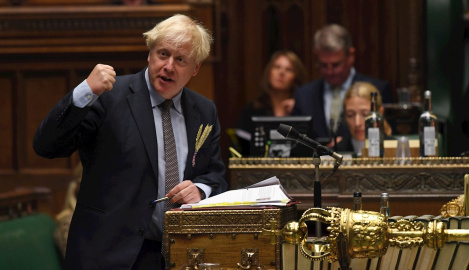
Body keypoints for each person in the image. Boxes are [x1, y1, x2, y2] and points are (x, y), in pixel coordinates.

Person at [33, 14, 227, 270]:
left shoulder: (204, 111)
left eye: (180, 59)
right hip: (107, 255)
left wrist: (201, 190)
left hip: (177, 255)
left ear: (195, 68)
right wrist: (85, 92)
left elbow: (215, 175)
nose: (168, 66)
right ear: (149, 54)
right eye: (162, 54)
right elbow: (46, 145)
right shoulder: (109, 96)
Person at [291, 24, 394, 145]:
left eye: (336, 65)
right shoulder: (303, 95)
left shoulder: (378, 90)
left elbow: (387, 134)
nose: (329, 72)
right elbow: (294, 142)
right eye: (323, 65)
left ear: (350, 56)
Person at [235, 50, 307, 155]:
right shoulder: (253, 110)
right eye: (277, 67)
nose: (281, 72)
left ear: (296, 77)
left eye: (289, 69)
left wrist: (299, 107)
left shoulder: (302, 109)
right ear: (269, 72)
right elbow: (240, 151)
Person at [337, 82, 392, 156]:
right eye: (350, 115)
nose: (357, 123)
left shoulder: (395, 148)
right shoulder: (336, 151)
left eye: (365, 114)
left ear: (380, 113)